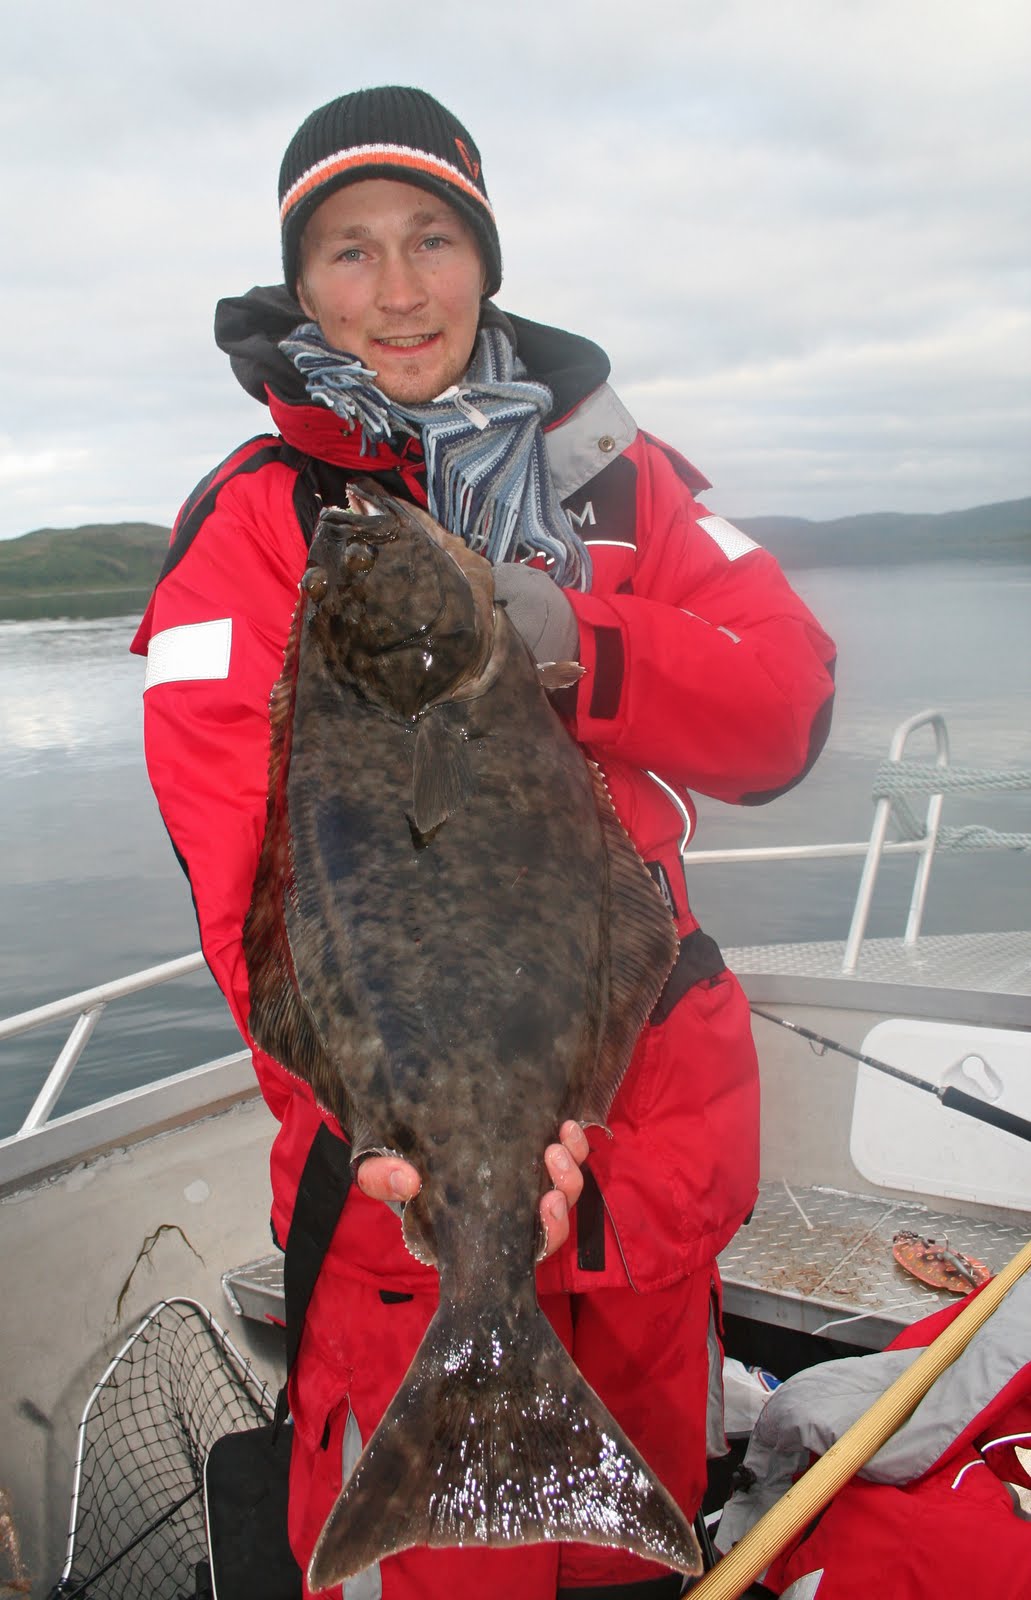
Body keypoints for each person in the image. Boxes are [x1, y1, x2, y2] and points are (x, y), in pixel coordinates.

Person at [132, 86, 837, 1600]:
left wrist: (578, 637)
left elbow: (787, 709)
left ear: (486, 260)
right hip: (403, 1186)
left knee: (641, 1546)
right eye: (349, 251)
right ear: (301, 287)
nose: (398, 290)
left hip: (643, 1159)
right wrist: (401, 1136)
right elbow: (248, 888)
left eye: (433, 239)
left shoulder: (623, 485)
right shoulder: (254, 527)